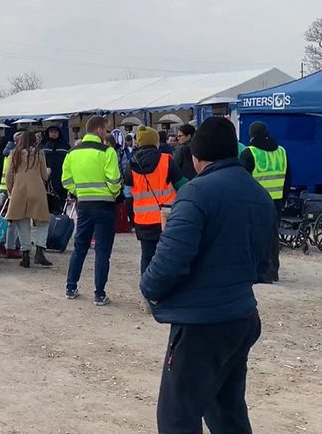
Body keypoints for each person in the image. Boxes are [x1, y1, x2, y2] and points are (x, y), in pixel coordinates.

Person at [140, 117, 275, 434]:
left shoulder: (196, 194)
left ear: (198, 158)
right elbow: (263, 263)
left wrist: (149, 288)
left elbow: (170, 261)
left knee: (178, 417)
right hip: (241, 315)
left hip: (202, 324)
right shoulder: (259, 194)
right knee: (227, 410)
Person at [62, 116, 121, 305]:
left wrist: (79, 192)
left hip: (84, 204)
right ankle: (99, 293)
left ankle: (71, 286)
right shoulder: (107, 151)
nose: (107, 133)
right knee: (102, 251)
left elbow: (66, 180)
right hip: (104, 205)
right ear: (100, 130)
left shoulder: (72, 153)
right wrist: (113, 193)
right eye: (107, 129)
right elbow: (113, 180)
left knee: (80, 246)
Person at [123, 126, 187, 280]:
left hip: (143, 220)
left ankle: (148, 289)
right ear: (155, 142)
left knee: (147, 256)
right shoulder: (166, 160)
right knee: (168, 255)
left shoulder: (131, 165)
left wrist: (132, 220)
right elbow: (183, 186)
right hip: (166, 218)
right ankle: (167, 289)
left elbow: (128, 196)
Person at [240, 121, 290, 283]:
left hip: (254, 202)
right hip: (276, 201)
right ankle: (272, 271)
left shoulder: (249, 153)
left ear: (251, 134)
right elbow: (288, 178)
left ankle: (258, 272)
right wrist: (283, 198)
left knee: (254, 236)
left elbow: (241, 180)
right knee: (273, 236)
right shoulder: (281, 151)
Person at [5, 131, 52, 268]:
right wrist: (48, 171)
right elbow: (44, 175)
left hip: (19, 190)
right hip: (37, 190)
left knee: (22, 221)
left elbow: (9, 175)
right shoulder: (39, 154)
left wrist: (11, 190)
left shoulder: (14, 154)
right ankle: (40, 251)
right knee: (43, 221)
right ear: (34, 140)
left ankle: (25, 254)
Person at [39, 125, 71, 214]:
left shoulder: (65, 145)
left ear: (59, 133)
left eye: (55, 132)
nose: (53, 134)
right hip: (47, 179)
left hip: (61, 177)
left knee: (62, 202)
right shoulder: (43, 145)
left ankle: (61, 219)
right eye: (51, 132)